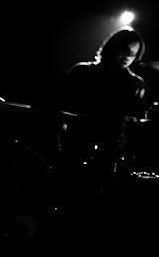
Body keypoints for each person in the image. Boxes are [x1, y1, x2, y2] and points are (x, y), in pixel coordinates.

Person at [58, 27, 147, 179]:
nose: (128, 56)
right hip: (76, 144)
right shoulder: (81, 72)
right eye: (125, 50)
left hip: (111, 150)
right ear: (113, 47)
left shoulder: (135, 84)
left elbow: (137, 119)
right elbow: (59, 105)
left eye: (133, 53)